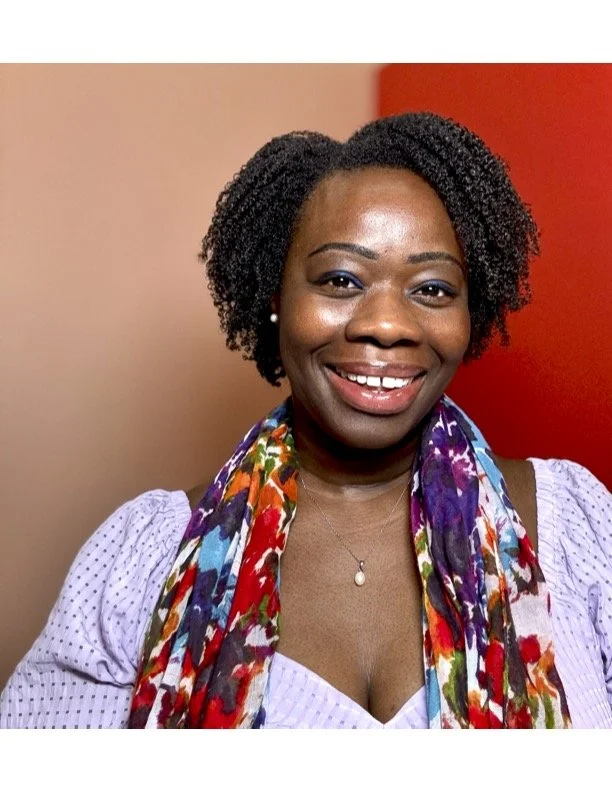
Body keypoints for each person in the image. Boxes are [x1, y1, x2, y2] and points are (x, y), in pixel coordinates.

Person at [1, 112, 610, 729]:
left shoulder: (576, 530)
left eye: (431, 289)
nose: (387, 324)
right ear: (276, 298)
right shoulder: (143, 561)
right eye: (341, 280)